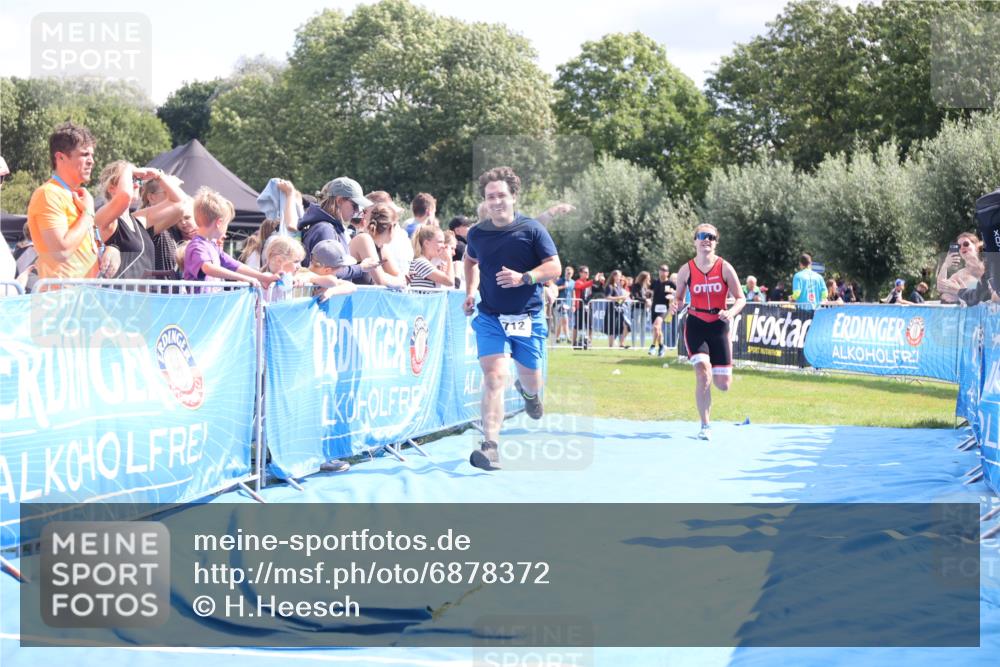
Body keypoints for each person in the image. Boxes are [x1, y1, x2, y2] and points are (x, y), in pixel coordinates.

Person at [463, 167, 561, 470]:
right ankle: (490, 446)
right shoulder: (477, 233)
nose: (496, 201)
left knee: (532, 379)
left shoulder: (531, 230)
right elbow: (469, 260)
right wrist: (470, 290)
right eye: (490, 197)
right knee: (494, 378)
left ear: (513, 196)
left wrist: (525, 277)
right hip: (491, 317)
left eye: (501, 195)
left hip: (527, 317)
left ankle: (529, 393)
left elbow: (554, 267)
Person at [670, 223, 746, 441]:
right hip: (696, 324)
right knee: (703, 373)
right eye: (702, 236)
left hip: (719, 326)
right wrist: (675, 305)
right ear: (694, 240)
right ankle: (705, 425)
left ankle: (716, 374)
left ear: (716, 242)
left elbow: (741, 298)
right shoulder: (686, 269)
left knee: (723, 385)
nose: (706, 240)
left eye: (711, 237)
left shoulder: (724, 267)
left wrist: (730, 312)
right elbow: (678, 298)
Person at [26, 123, 121, 281]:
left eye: (91, 155)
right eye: (84, 155)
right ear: (60, 157)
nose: (91, 161)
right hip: (60, 301)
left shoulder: (79, 196)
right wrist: (88, 213)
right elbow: (61, 252)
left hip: (85, 298)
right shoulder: (48, 194)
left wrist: (112, 249)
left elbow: (84, 247)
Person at [95, 161, 187, 280]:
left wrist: (158, 176)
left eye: (138, 180)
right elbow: (124, 196)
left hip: (142, 296)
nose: (137, 185)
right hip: (119, 295)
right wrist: (128, 168)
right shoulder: (105, 219)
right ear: (112, 188)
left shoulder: (139, 219)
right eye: (132, 180)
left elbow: (180, 202)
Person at [183, 187, 277, 291]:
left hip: (211, 302)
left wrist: (262, 277)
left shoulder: (213, 245)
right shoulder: (197, 246)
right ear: (219, 223)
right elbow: (208, 268)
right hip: (200, 304)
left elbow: (234, 265)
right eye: (227, 224)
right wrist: (244, 278)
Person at [298, 177, 376, 284]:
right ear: (339, 201)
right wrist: (361, 268)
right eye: (354, 205)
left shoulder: (327, 227)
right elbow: (329, 271)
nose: (357, 210)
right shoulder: (325, 229)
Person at [937, 232, 985, 304]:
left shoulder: (988, 267)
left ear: (976, 246)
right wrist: (945, 265)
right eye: (959, 246)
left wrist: (960, 293)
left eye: (966, 244)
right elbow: (941, 287)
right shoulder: (960, 274)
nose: (962, 247)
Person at [649, 264, 674, 357]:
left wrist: (673, 295)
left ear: (668, 273)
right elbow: (649, 292)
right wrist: (647, 298)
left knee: (656, 327)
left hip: (664, 309)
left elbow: (678, 293)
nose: (662, 271)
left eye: (664, 270)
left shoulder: (671, 284)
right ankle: (661, 346)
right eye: (661, 269)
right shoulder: (655, 282)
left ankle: (652, 346)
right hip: (654, 308)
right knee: (657, 329)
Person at [605, 269, 631, 348]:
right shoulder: (610, 286)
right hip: (611, 310)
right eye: (618, 275)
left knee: (626, 326)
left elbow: (619, 299)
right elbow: (608, 297)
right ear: (614, 276)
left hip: (619, 309)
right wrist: (620, 297)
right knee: (612, 329)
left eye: (620, 275)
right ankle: (611, 346)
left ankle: (621, 344)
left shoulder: (618, 286)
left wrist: (623, 298)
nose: (620, 277)